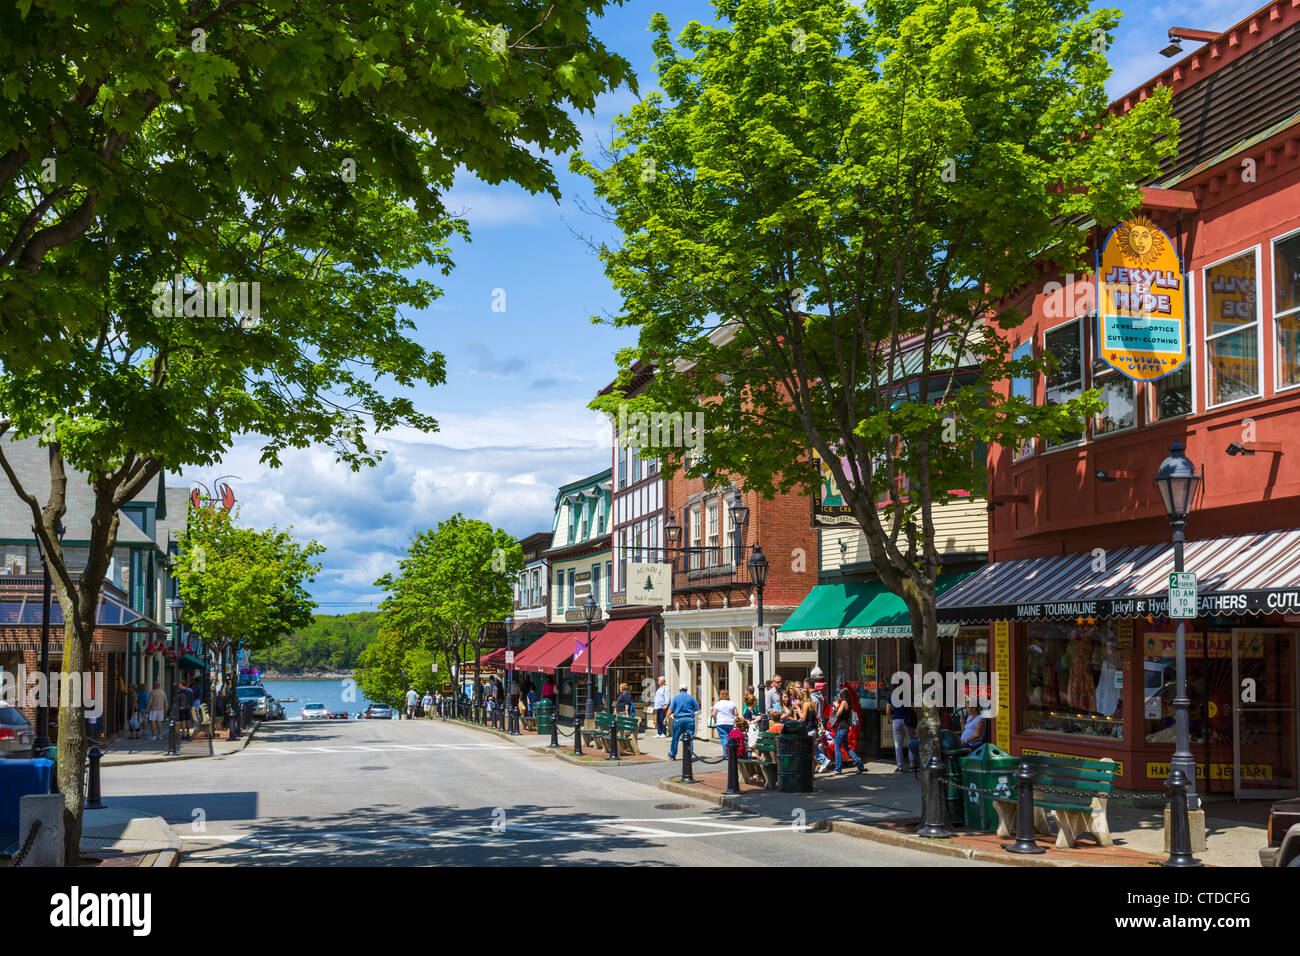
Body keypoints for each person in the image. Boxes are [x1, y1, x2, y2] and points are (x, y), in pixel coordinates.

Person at [828, 688, 865, 774]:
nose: (838, 696)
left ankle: (838, 769)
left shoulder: (844, 703)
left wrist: (836, 706)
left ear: (842, 695)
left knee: (837, 747)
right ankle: (860, 765)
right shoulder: (849, 703)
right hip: (845, 728)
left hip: (842, 728)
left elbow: (838, 713)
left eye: (839, 694)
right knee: (846, 747)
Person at [666, 683, 700, 760]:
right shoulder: (691, 698)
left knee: (675, 738)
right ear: (686, 690)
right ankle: (689, 755)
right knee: (689, 738)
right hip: (689, 719)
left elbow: (670, 709)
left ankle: (672, 754)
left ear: (679, 690)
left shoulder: (676, 698)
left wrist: (666, 718)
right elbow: (697, 708)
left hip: (679, 719)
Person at [887, 698, 918, 771]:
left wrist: (891, 719)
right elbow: (913, 707)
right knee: (911, 741)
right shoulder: (907, 695)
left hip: (896, 721)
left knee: (898, 745)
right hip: (907, 720)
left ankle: (900, 766)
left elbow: (887, 711)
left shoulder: (891, 697)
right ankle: (912, 764)